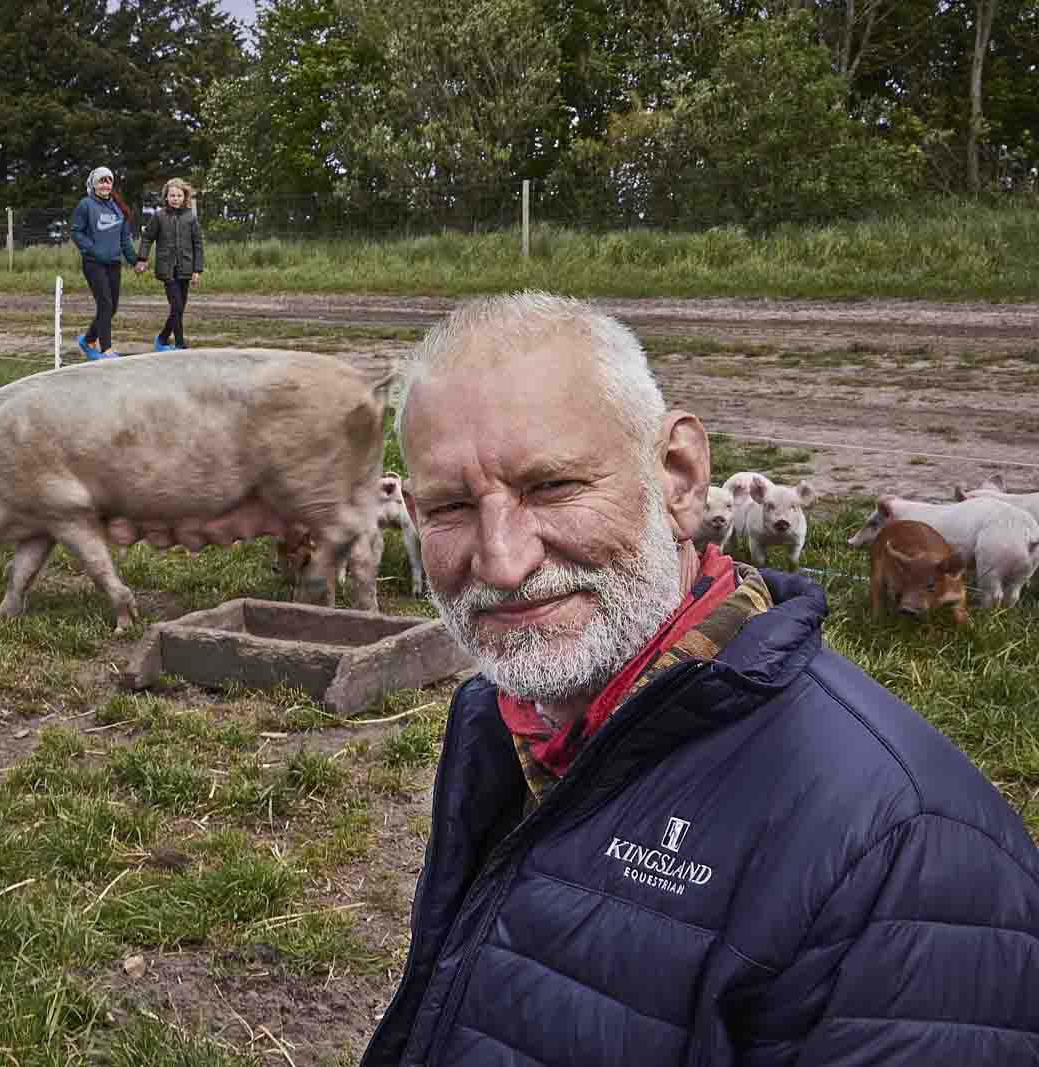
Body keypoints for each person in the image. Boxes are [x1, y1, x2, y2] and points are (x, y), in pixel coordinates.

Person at [359, 291, 1039, 1066]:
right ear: (411, 510)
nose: (503, 561)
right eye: (450, 506)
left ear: (680, 478)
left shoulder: (906, 853)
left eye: (551, 486)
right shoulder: (501, 716)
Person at [70, 166, 136, 360]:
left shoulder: (118, 208)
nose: (105, 185)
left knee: (112, 307)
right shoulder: (86, 205)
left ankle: (88, 339)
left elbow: (125, 240)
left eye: (108, 181)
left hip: (114, 263)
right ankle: (105, 349)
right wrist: (93, 249)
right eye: (101, 181)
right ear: (93, 184)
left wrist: (135, 260)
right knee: (105, 304)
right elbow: (76, 232)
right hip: (93, 263)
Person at [134, 178, 204, 351]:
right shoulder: (159, 216)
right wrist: (142, 258)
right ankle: (180, 344)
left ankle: (162, 339)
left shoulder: (191, 217)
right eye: (172, 195)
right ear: (166, 197)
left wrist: (197, 269)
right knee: (177, 307)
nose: (175, 198)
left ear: (184, 196)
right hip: (167, 270)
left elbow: (198, 244)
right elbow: (147, 238)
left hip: (185, 269)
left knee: (178, 309)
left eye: (179, 195)